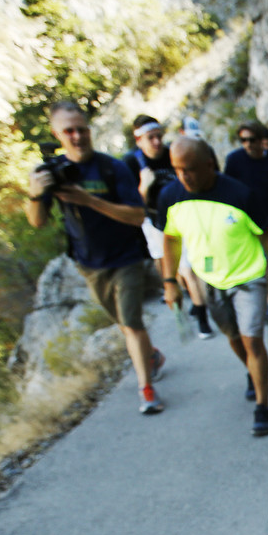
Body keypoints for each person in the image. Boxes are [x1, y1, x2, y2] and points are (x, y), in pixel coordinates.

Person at [25, 100, 165, 415]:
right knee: (123, 323)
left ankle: (147, 388)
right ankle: (151, 355)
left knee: (131, 323)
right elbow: (37, 221)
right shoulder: (53, 174)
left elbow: (135, 215)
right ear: (57, 134)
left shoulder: (111, 167)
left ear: (90, 129)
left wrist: (87, 200)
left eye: (82, 129)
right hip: (89, 263)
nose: (77, 136)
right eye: (69, 131)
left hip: (126, 256)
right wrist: (35, 194)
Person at [158, 137, 268, 436]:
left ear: (209, 165)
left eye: (190, 169)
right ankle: (252, 370)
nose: (184, 177)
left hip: (249, 278)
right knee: (233, 338)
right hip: (211, 280)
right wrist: (170, 281)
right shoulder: (170, 196)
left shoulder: (240, 194)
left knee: (252, 341)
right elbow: (171, 239)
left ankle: (262, 406)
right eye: (177, 170)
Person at [122, 114, 213, 338]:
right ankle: (191, 298)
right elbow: (133, 207)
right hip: (154, 223)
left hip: (185, 218)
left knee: (188, 268)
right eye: (150, 138)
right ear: (139, 140)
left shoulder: (173, 152)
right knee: (169, 266)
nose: (156, 142)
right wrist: (144, 187)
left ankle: (202, 317)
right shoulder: (132, 163)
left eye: (159, 136)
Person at [223, 121, 268, 322]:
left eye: (252, 139)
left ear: (261, 140)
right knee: (262, 261)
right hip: (247, 221)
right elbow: (226, 188)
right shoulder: (234, 161)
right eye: (243, 140)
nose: (247, 144)